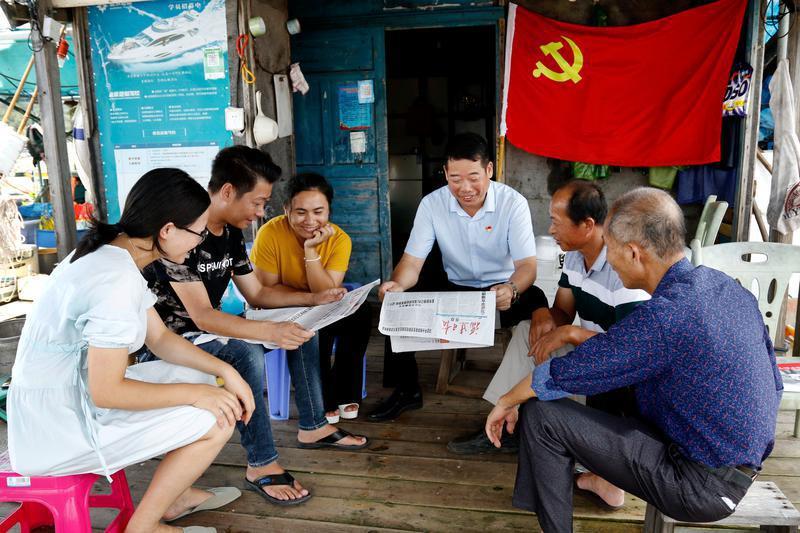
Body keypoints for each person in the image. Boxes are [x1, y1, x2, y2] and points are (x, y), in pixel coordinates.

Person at [485, 187, 783, 533]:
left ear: (633, 253)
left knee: (541, 415)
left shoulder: (666, 315)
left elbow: (569, 370)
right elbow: (774, 382)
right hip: (733, 464)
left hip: (699, 486)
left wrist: (508, 400)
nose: (607, 259)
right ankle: (584, 483)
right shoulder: (721, 286)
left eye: (609, 249)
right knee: (607, 375)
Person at [8, 168, 256, 533]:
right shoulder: (115, 281)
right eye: (198, 232)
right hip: (56, 428)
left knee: (205, 380)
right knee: (214, 417)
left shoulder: (114, 255)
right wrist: (201, 395)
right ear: (167, 230)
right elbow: (107, 392)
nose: (200, 241)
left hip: (60, 401)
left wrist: (227, 372)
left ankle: (177, 495)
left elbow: (159, 339)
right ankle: (142, 527)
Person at [141, 146, 368, 507]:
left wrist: (312, 302)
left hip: (212, 330)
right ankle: (261, 462)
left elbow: (258, 293)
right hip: (173, 338)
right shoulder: (183, 231)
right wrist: (267, 332)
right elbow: (203, 316)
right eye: (258, 202)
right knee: (245, 354)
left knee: (299, 328)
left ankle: (313, 425)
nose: (262, 212)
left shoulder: (230, 234)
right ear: (228, 191)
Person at [448, 182, 649, 484]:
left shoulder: (622, 265)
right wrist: (543, 313)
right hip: (590, 352)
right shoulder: (574, 256)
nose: (551, 229)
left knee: (554, 342)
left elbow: (628, 352)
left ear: (587, 225)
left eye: (556, 221)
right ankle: (507, 419)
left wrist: (570, 334)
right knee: (528, 331)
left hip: (615, 376)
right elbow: (562, 313)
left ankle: (563, 436)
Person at [369, 132, 548, 422]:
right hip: (455, 285)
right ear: (445, 173)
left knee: (539, 312)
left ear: (489, 170)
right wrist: (397, 284)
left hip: (502, 287)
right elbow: (412, 262)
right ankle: (406, 391)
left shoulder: (512, 203)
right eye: (455, 179)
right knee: (397, 304)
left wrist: (512, 288)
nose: (465, 188)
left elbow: (527, 265)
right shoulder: (432, 204)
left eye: (474, 177)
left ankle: (524, 400)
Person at [250, 172, 371, 423]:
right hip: (282, 309)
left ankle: (345, 390)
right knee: (317, 327)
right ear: (287, 210)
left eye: (318, 212)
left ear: (328, 211)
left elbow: (325, 292)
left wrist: (311, 250)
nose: (310, 221)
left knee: (361, 314)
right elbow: (264, 294)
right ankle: (323, 396)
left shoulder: (339, 239)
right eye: (301, 212)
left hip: (316, 304)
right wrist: (310, 299)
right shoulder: (270, 234)